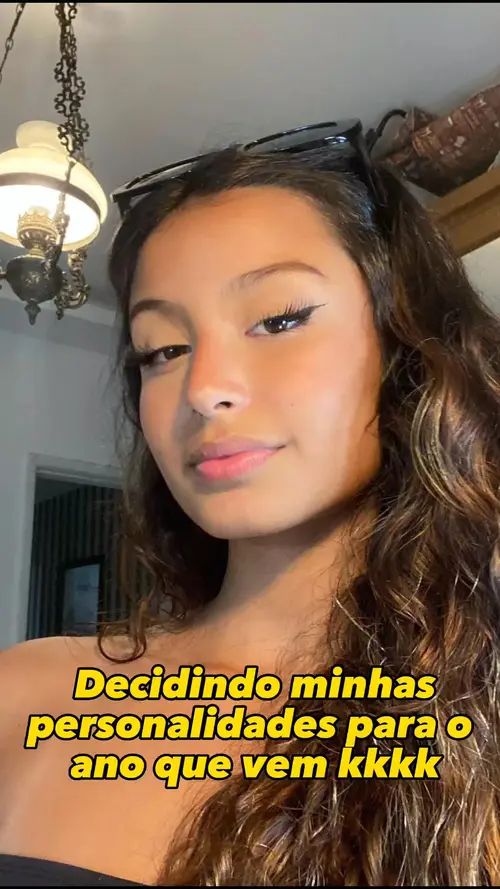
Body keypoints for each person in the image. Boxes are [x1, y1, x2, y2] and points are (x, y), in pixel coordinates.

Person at [1, 120, 500, 887]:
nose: (203, 389)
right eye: (163, 350)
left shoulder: (477, 731)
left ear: (405, 347)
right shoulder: (23, 695)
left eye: (279, 319)